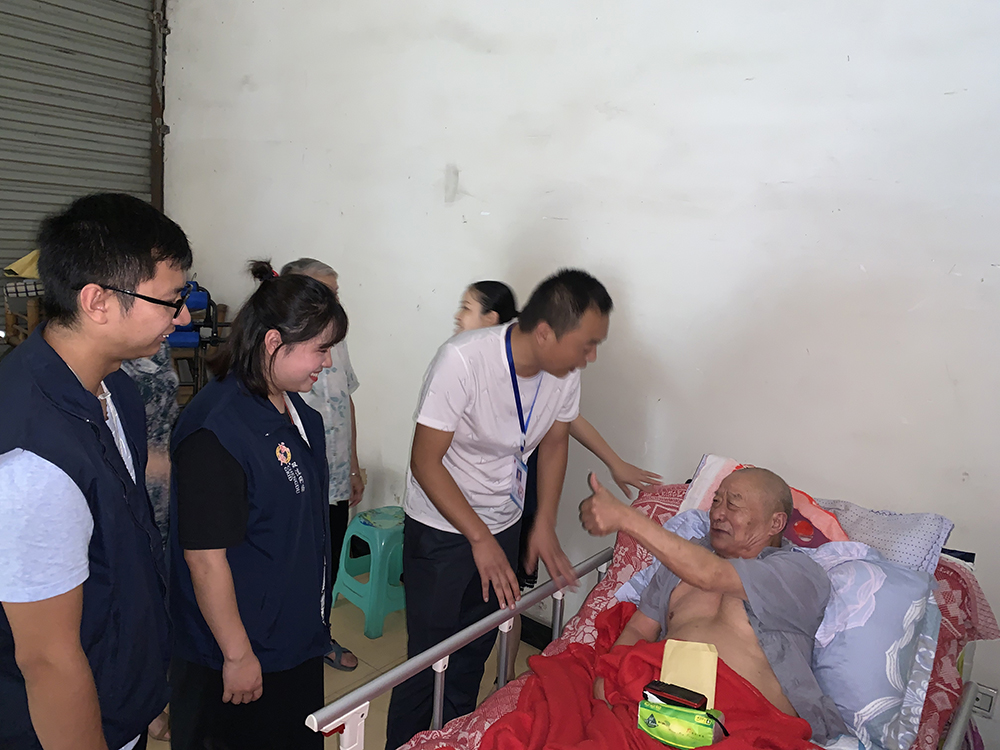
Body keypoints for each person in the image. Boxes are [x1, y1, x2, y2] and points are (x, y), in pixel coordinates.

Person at [385, 269, 613, 750]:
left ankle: (450, 740)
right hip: (442, 526)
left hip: (503, 521)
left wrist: (543, 521)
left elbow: (554, 442)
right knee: (428, 661)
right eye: (587, 344)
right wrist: (479, 538)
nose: (590, 357)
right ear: (545, 332)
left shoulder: (563, 373)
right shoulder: (463, 360)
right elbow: (425, 461)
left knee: (475, 649)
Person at [0, 193, 193, 750]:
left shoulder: (116, 392)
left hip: (119, 696)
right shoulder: (32, 462)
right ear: (98, 302)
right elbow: (48, 661)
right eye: (170, 301)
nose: (182, 317)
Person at [167, 261, 348, 750]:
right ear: (273, 342)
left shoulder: (296, 411)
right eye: (321, 349)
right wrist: (237, 654)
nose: (328, 362)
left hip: (292, 635)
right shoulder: (217, 431)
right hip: (237, 649)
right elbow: (205, 560)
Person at [453, 279, 661, 680]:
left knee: (507, 594)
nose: (459, 317)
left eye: (467, 309)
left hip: (514, 497)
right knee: (480, 593)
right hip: (468, 505)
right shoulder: (468, 362)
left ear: (492, 318)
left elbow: (567, 421)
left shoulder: (538, 362)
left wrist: (614, 462)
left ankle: (503, 678)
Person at [579, 467, 850, 744]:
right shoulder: (680, 562)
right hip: (656, 709)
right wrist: (609, 675)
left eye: (733, 504)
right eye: (717, 501)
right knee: (563, 697)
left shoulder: (797, 573)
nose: (718, 513)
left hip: (742, 726)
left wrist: (626, 518)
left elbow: (710, 575)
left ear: (775, 523)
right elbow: (639, 628)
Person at [280, 257, 362, 672]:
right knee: (294, 567)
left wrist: (353, 466)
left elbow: (346, 400)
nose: (333, 302)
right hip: (296, 477)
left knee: (327, 562)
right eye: (322, 293)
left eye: (335, 293)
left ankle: (321, 636)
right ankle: (290, 642)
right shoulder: (282, 351)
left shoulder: (336, 342)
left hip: (336, 474)